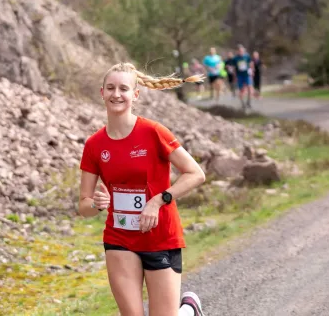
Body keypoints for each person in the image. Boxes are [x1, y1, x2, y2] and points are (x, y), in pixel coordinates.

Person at [78, 62, 207, 316]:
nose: (117, 94)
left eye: (124, 89)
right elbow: (83, 205)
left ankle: (189, 310)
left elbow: (196, 174)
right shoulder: (94, 145)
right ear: (101, 92)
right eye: (111, 88)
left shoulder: (153, 132)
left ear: (135, 94)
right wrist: (96, 203)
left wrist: (159, 200)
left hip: (160, 236)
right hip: (120, 238)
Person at [233, 44, 255, 109]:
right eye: (239, 51)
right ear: (237, 51)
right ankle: (243, 104)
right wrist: (235, 76)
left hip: (247, 75)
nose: (241, 52)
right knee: (241, 90)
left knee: (249, 88)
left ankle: (249, 102)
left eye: (242, 51)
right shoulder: (235, 58)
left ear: (244, 50)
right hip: (240, 76)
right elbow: (234, 68)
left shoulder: (247, 56)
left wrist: (252, 71)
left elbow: (251, 63)